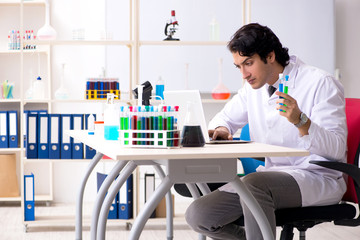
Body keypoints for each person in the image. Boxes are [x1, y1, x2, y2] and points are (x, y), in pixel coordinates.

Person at [185, 23, 347, 240]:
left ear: (270, 56)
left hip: (317, 177)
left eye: (248, 64)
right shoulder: (253, 88)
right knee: (200, 215)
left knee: (253, 186)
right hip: (271, 179)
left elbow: (336, 150)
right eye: (238, 66)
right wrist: (222, 129)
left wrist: (302, 122)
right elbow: (224, 118)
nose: (244, 74)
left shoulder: (320, 83)